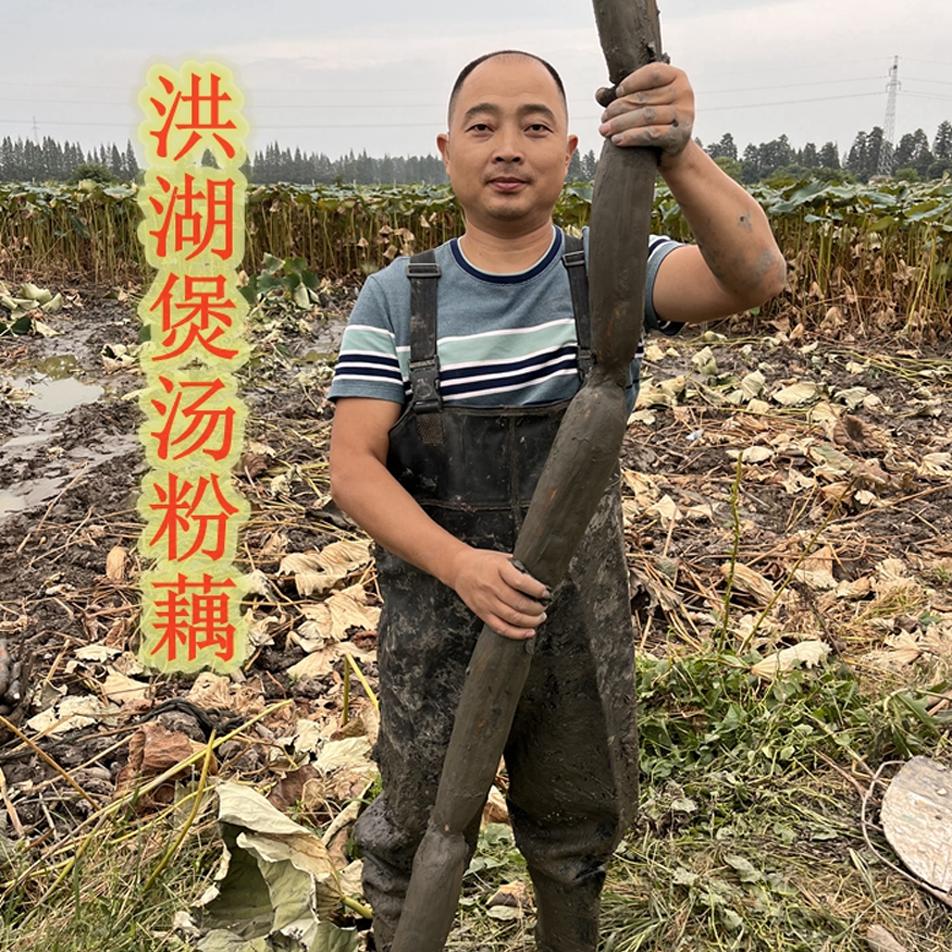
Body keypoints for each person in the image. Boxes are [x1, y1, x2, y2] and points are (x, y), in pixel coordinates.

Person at [328, 49, 785, 952]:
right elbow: (353, 466)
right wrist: (461, 566)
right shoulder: (396, 296)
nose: (509, 146)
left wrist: (679, 152)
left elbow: (754, 277)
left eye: (536, 126)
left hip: (578, 619)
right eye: (483, 125)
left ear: (574, 150)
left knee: (577, 827)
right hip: (437, 619)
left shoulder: (608, 275)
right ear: (445, 151)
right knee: (416, 826)